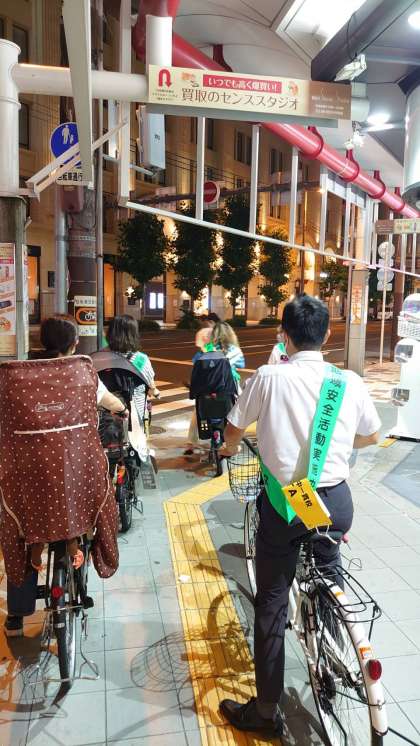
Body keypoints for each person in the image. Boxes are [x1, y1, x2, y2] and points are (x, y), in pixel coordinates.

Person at [219, 295, 380, 736]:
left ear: (284, 336)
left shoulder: (269, 376)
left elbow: (234, 429)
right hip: (336, 503)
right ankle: (335, 644)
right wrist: (341, 446)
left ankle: (265, 713)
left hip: (287, 505)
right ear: (326, 335)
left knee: (272, 601)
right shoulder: (348, 381)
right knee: (329, 570)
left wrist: (229, 447)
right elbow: (371, 436)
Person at [4, 314, 123, 637]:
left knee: (20, 529)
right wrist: (123, 409)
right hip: (74, 471)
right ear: (74, 344)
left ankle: (16, 614)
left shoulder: (14, 376)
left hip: (27, 473)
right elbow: (107, 401)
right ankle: (78, 549)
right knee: (89, 497)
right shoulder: (81, 372)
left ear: (41, 341)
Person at [105, 315, 160, 436]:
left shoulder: (102, 356)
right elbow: (151, 385)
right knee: (136, 440)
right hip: (134, 415)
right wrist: (154, 391)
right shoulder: (140, 359)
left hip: (107, 413)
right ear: (133, 334)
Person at [210, 321, 245, 388]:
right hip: (228, 385)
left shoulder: (208, 348)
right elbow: (241, 365)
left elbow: (196, 361)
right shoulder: (235, 350)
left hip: (209, 384)